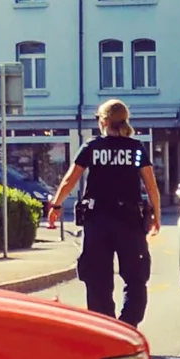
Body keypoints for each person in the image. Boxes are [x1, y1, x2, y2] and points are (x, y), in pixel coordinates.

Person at [45, 100, 160, 327]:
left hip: (97, 221)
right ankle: (128, 325)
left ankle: (106, 327)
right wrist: (156, 215)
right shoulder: (136, 149)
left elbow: (70, 179)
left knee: (97, 279)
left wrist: (56, 205)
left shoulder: (92, 147)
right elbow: (150, 185)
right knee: (136, 278)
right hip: (129, 221)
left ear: (104, 121)